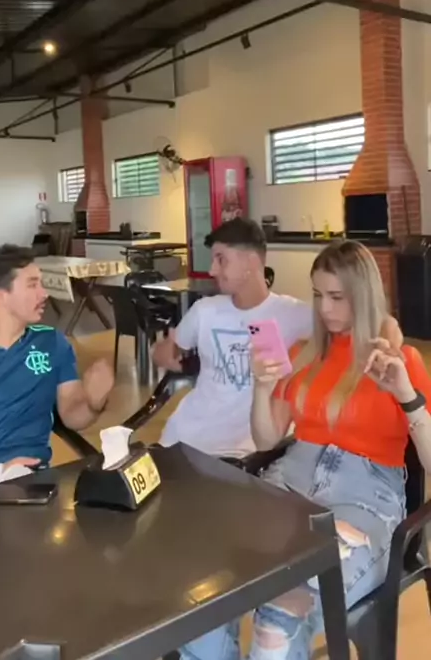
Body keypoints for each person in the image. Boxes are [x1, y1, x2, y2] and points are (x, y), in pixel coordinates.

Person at [180, 239, 431, 660]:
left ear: (363, 295)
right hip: (286, 488)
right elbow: (266, 440)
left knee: (280, 619)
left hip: (363, 501)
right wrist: (262, 387)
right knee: (199, 595)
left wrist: (407, 396)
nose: (325, 309)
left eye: (337, 297)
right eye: (318, 295)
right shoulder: (303, 355)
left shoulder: (399, 361)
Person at [153, 219, 402, 457]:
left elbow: (379, 320)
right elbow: (164, 354)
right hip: (180, 436)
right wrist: (172, 356)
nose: (212, 270)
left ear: (251, 262)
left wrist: (386, 347)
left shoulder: (294, 314)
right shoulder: (204, 310)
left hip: (239, 450)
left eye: (221, 260)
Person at [0, 244, 115, 486]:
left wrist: (93, 402)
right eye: (32, 284)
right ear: (1, 296)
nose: (44, 293)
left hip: (34, 484)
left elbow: (72, 416)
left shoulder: (52, 343)